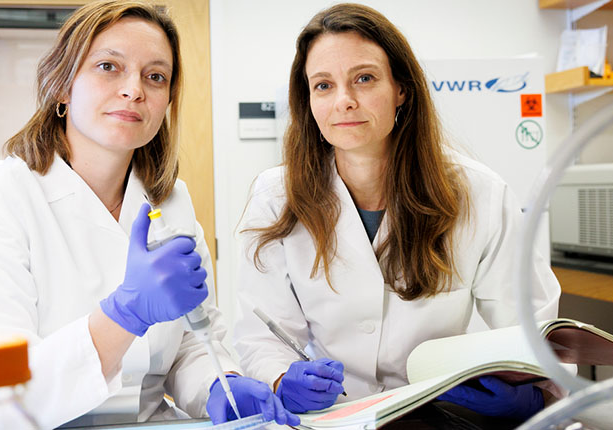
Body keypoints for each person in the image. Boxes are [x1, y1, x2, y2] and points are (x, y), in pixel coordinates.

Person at [0, 1, 298, 428]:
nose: (134, 89)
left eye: (155, 76)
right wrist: (124, 316)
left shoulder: (170, 202)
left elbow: (192, 339)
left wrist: (218, 386)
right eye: (108, 67)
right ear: (61, 85)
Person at [233, 2, 561, 423]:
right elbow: (262, 334)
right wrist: (281, 378)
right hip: (333, 416)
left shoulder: (480, 194)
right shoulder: (275, 197)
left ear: (401, 89)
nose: (344, 101)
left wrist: (532, 390)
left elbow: (532, 326)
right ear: (308, 100)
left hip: (442, 415)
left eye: (364, 79)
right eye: (323, 85)